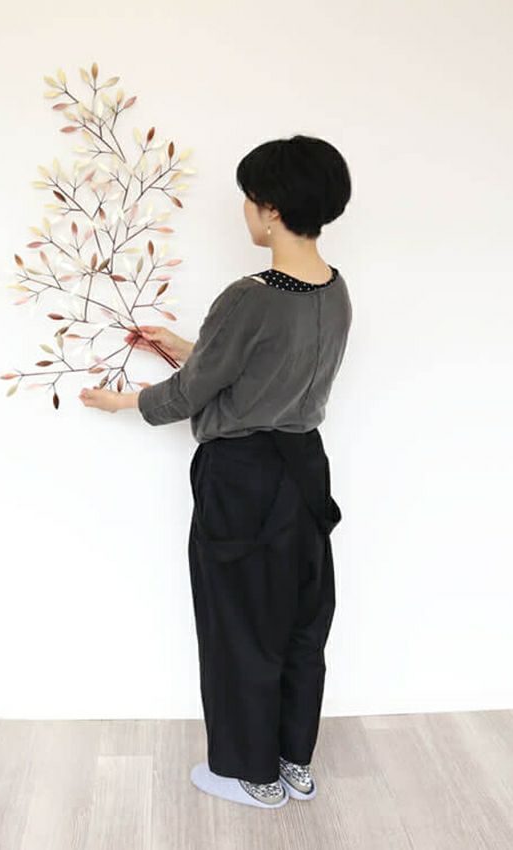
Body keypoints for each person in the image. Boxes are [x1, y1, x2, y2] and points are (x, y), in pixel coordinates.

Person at [79, 134, 352, 808]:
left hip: (242, 475)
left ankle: (248, 774)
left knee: (238, 624)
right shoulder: (335, 289)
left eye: (249, 199)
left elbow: (190, 395)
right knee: (299, 622)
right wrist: (186, 346)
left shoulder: (249, 295)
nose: (245, 211)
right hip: (305, 468)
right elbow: (265, 367)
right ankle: (292, 764)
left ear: (270, 208)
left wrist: (122, 402)